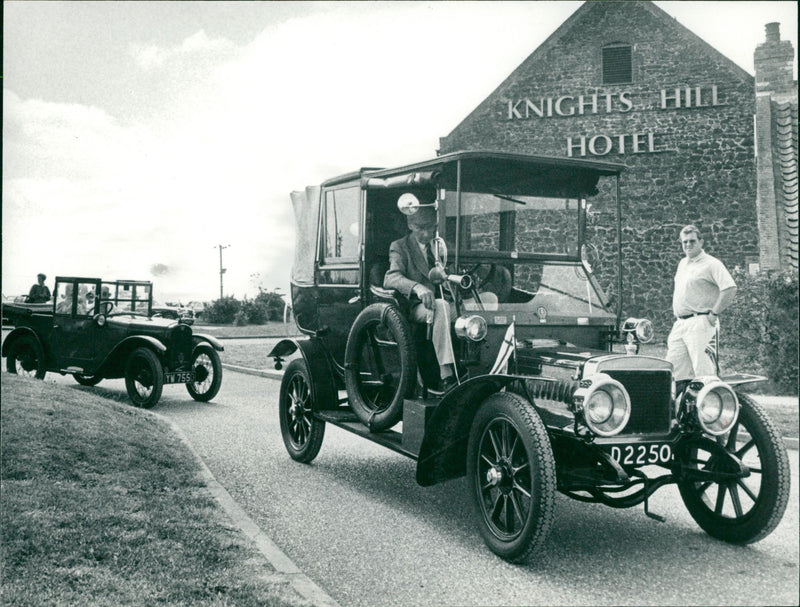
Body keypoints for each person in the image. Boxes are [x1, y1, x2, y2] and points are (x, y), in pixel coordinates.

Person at [383, 200, 497, 391]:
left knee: (490, 299)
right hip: (419, 307)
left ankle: (485, 364)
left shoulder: (442, 247)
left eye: (431, 227)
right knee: (441, 306)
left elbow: (454, 274)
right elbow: (391, 278)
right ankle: (447, 376)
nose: (426, 233)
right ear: (410, 225)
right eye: (420, 228)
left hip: (449, 301)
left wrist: (465, 280)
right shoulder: (400, 247)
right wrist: (418, 287)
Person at [666, 224, 737, 386]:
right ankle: (679, 409)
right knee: (672, 372)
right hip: (680, 324)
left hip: (702, 323)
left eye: (692, 241)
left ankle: (710, 409)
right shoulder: (683, 263)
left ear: (701, 242)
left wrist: (714, 313)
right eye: (685, 242)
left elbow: (730, 288)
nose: (688, 245)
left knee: (704, 372)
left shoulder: (712, 264)